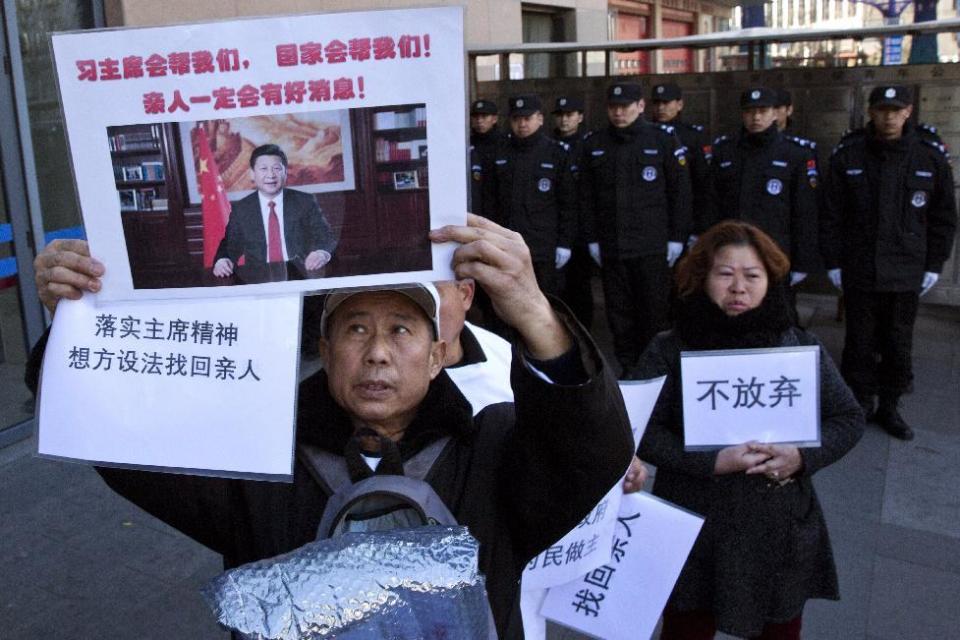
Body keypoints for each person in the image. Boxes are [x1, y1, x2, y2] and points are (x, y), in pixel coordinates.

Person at [28, 214, 634, 640]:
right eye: (356, 328)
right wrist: (77, 323)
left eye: (401, 330)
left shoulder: (497, 450)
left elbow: (588, 450)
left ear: (437, 353)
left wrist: (532, 307)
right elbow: (122, 444)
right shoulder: (258, 458)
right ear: (324, 346)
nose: (377, 352)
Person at [633, 220, 864, 640]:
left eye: (752, 276)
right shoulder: (670, 347)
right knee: (687, 625)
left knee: (779, 625)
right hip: (694, 519)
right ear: (701, 277)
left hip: (778, 520)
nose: (738, 287)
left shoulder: (796, 345)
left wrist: (802, 456)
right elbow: (640, 429)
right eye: (725, 274)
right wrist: (710, 460)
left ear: (770, 281)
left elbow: (848, 418)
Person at [820, 85, 957, 440]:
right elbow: (831, 214)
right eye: (882, 110)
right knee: (859, 340)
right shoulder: (849, 155)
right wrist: (833, 261)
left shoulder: (929, 157)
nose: (889, 117)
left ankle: (891, 406)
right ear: (871, 112)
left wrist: (934, 264)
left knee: (898, 340)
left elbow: (943, 217)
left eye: (896, 110)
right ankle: (859, 404)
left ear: (908, 112)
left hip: (906, 268)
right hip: (860, 266)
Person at [580, 81, 693, 376]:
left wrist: (678, 237)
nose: (619, 113)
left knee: (654, 314)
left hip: (652, 247)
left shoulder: (663, 140)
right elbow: (586, 197)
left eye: (625, 107)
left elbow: (680, 193)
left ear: (640, 107)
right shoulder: (595, 144)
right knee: (620, 316)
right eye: (613, 107)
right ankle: (629, 369)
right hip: (613, 246)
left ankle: (656, 370)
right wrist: (591, 238)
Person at [707, 87, 820, 302]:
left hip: (776, 252)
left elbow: (805, 212)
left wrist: (803, 261)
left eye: (763, 111)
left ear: (775, 113)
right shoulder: (725, 150)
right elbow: (712, 204)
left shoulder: (795, 154)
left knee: (777, 317)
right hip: (732, 252)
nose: (756, 117)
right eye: (750, 111)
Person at [492, 94, 577, 297]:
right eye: (516, 119)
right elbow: (491, 201)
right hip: (508, 244)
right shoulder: (500, 153)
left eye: (527, 118)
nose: (522, 124)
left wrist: (564, 243)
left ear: (540, 119)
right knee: (509, 301)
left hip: (543, 246)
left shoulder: (556, 153)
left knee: (545, 301)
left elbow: (568, 203)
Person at [212, 143, 337, 277]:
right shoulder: (242, 209)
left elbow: (324, 234)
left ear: (285, 172)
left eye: (276, 168)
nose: (271, 175)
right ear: (252, 174)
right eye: (263, 169)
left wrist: (321, 253)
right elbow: (230, 244)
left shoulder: (304, 202)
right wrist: (222, 260)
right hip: (258, 277)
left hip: (299, 273)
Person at [551, 95, 596, 330]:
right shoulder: (548, 145)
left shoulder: (589, 145)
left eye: (569, 115)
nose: (564, 120)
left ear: (580, 117)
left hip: (582, 229)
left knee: (580, 286)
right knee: (558, 289)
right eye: (559, 115)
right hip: (556, 228)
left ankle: (584, 331)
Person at [649, 82, 712, 243]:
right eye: (656, 103)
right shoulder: (645, 134)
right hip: (651, 217)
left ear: (679, 104)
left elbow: (702, 184)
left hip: (685, 216)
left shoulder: (692, 136)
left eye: (666, 103)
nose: (661, 108)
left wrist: (699, 227)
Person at [469, 98, 503, 222]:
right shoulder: (467, 143)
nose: (479, 120)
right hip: (475, 208)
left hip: (499, 209)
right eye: (476, 116)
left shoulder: (505, 143)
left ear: (494, 119)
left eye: (484, 116)